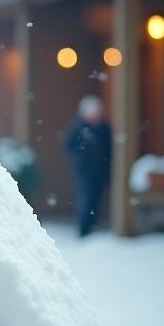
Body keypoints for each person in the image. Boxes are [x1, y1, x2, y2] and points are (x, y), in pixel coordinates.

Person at [63, 94, 112, 237]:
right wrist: (80, 156)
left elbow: (110, 150)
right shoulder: (78, 127)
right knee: (85, 200)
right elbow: (68, 146)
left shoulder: (104, 128)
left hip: (100, 172)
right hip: (83, 172)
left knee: (96, 200)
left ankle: (92, 228)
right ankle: (84, 230)